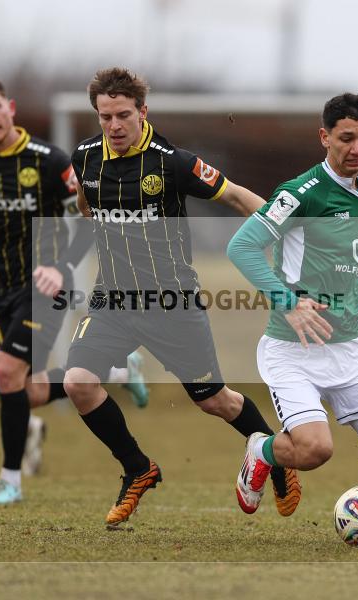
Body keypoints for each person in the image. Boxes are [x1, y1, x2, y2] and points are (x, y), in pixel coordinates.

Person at [63, 67, 302, 526]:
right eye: (105, 116)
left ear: (143, 112)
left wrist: (283, 230)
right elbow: (85, 200)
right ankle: (138, 468)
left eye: (123, 115)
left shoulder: (172, 161)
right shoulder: (85, 157)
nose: (114, 126)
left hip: (172, 303)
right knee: (77, 381)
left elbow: (233, 196)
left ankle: (277, 455)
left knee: (215, 400)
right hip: (112, 299)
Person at [226, 93, 358, 545]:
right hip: (294, 348)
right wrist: (287, 301)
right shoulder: (297, 194)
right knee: (314, 450)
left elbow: (342, 272)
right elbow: (241, 247)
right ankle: (262, 449)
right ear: (324, 137)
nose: (356, 149)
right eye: (346, 138)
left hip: (352, 348)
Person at [0, 75, 92, 503]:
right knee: (24, 389)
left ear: (10, 108)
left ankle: (9, 481)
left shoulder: (49, 159)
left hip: (47, 284)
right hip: (3, 288)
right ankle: (109, 371)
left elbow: (87, 221)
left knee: (5, 372)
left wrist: (61, 268)